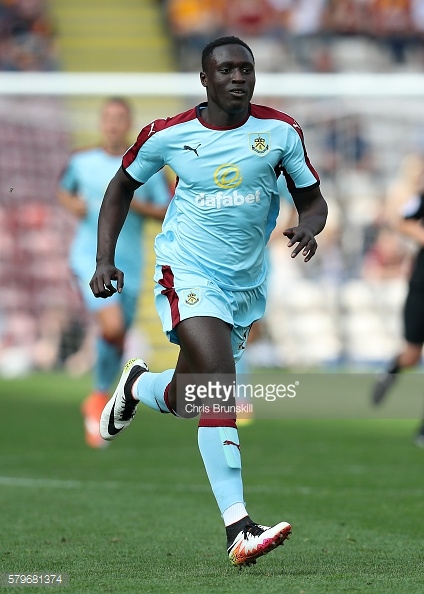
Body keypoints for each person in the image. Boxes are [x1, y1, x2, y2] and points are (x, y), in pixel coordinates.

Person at [90, 37, 328, 566]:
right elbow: (119, 189)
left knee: (191, 396)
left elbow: (313, 200)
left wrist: (308, 227)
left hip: (244, 285)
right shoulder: (168, 135)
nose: (238, 78)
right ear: (205, 79)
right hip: (187, 271)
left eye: (246, 69)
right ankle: (239, 528)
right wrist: (104, 259)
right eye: (226, 70)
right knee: (220, 383)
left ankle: (138, 386)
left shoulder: (281, 131)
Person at [58, 97, 170, 448]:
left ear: (129, 123)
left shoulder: (144, 165)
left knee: (114, 335)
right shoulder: (81, 161)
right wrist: (72, 203)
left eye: (119, 118)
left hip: (130, 266)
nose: (112, 124)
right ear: (101, 122)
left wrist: (131, 202)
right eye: (107, 118)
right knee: (114, 328)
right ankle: (114, 391)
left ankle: (98, 397)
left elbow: (167, 208)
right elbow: (64, 190)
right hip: (87, 259)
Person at [371, 154, 424, 446]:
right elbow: (401, 220)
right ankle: (391, 370)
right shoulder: (421, 198)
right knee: (412, 354)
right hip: (421, 286)